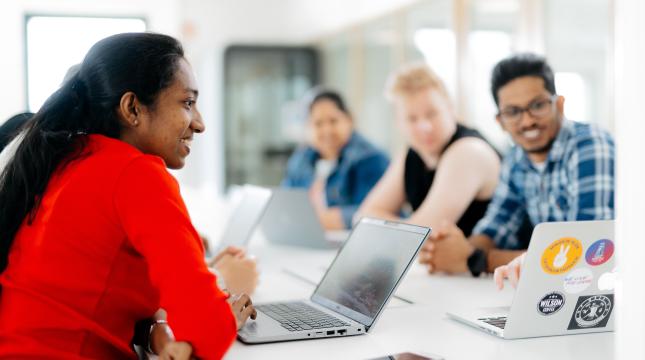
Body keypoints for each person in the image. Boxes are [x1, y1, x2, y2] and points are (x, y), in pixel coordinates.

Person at [0, 33, 256, 359]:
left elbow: (98, 290)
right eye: (187, 103)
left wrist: (156, 328)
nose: (200, 124)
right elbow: (206, 333)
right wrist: (226, 290)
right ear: (132, 107)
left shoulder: (71, 159)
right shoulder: (135, 173)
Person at [422, 53, 615, 276]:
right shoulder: (516, 160)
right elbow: (495, 228)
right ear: (501, 122)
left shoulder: (591, 146)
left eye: (538, 105)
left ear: (559, 105)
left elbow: (589, 256)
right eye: (513, 112)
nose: (527, 121)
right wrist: (451, 250)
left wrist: (476, 259)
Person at [356, 63, 501, 238]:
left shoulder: (468, 150)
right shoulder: (413, 154)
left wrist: (388, 226)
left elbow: (420, 236)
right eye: (412, 119)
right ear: (398, 123)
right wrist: (407, 226)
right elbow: (362, 218)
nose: (425, 126)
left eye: (432, 113)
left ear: (450, 108)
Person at [282, 89, 389, 230]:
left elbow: (375, 215)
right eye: (318, 123)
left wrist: (315, 220)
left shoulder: (371, 158)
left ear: (349, 120)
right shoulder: (301, 160)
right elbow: (285, 205)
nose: (327, 130)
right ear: (307, 128)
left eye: (333, 121)